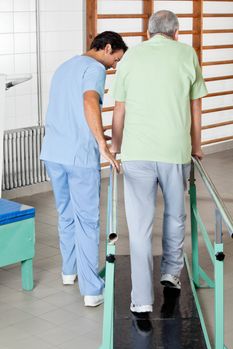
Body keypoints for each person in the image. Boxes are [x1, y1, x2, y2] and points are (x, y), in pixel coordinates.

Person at [110, 10, 207, 314]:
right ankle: (170, 273)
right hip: (174, 151)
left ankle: (141, 301)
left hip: (137, 152)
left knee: (138, 228)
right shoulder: (187, 54)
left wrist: (115, 147)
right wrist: (197, 145)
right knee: (175, 214)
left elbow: (119, 110)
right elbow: (195, 106)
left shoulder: (130, 58)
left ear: (149, 32)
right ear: (176, 32)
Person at [40, 31, 127, 307]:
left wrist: (98, 134)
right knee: (87, 221)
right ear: (107, 48)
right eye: (115, 59)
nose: (114, 66)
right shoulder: (94, 68)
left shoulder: (65, 67)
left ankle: (69, 272)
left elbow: (66, 111)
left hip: (53, 152)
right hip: (79, 157)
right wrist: (102, 143)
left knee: (65, 214)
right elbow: (90, 101)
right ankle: (91, 290)